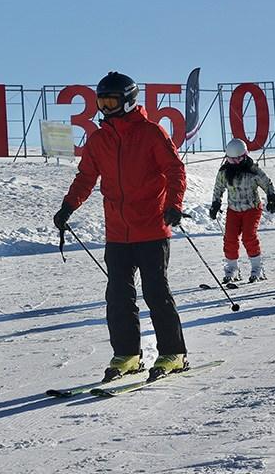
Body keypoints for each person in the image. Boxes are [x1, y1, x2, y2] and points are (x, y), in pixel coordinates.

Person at [53, 71, 189, 381]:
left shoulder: (151, 133)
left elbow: (175, 169)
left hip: (152, 228)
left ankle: (174, 353)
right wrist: (68, 206)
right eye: (101, 102)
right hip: (117, 232)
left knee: (156, 292)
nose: (105, 108)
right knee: (118, 297)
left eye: (111, 102)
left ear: (128, 101)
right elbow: (86, 177)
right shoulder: (99, 139)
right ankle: (127, 355)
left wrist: (174, 205)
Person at [209, 138, 275, 283]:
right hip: (233, 209)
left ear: (244, 156)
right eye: (230, 159)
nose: (234, 162)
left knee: (248, 236)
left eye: (237, 159)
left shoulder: (252, 170)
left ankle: (257, 268)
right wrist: (215, 203)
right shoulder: (225, 171)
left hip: (252, 208)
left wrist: (272, 197)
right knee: (230, 238)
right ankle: (232, 269)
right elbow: (218, 188)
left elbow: (267, 183)